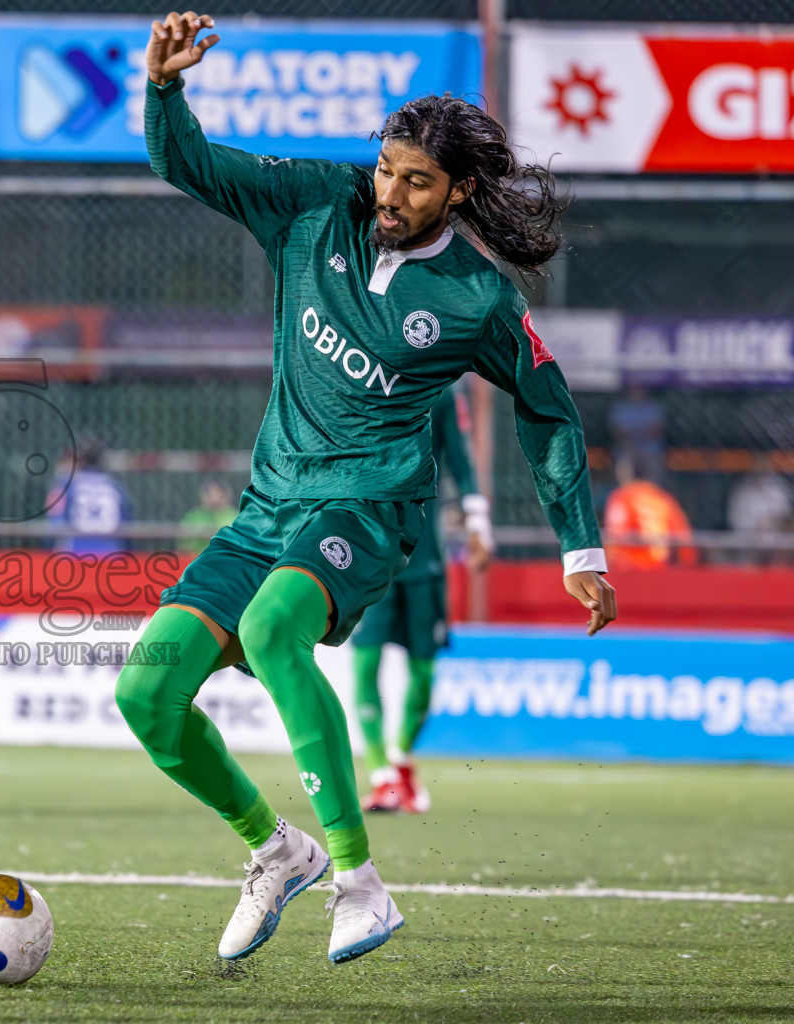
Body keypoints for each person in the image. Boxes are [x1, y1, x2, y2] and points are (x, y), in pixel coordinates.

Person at [115, 12, 616, 967]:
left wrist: (579, 549)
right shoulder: (315, 205)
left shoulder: (478, 297)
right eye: (387, 168)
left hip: (367, 509)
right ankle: (276, 852)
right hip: (269, 508)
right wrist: (165, 90)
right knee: (146, 692)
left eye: (417, 180)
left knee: (271, 631)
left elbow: (548, 411)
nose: (390, 190)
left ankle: (360, 883)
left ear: (459, 191)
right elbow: (191, 165)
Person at [354, 387, 491, 814]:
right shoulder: (360, 378)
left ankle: (399, 761)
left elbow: (462, 461)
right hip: (372, 551)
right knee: (364, 661)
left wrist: (479, 523)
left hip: (425, 558)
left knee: (425, 670)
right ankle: (382, 777)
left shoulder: (442, 390)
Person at [604, 458, 696, 568]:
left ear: (625, 473)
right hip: (663, 570)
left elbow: (615, 537)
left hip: (631, 570)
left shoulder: (622, 497)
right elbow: (685, 541)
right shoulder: (664, 499)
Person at [48, 438, 134, 554]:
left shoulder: (66, 484)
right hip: (113, 556)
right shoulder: (116, 487)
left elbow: (55, 523)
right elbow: (128, 526)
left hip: (75, 555)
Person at [179, 478, 239, 554]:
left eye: (217, 493)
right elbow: (184, 545)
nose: (213, 497)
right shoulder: (193, 517)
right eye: (209, 493)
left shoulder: (236, 517)